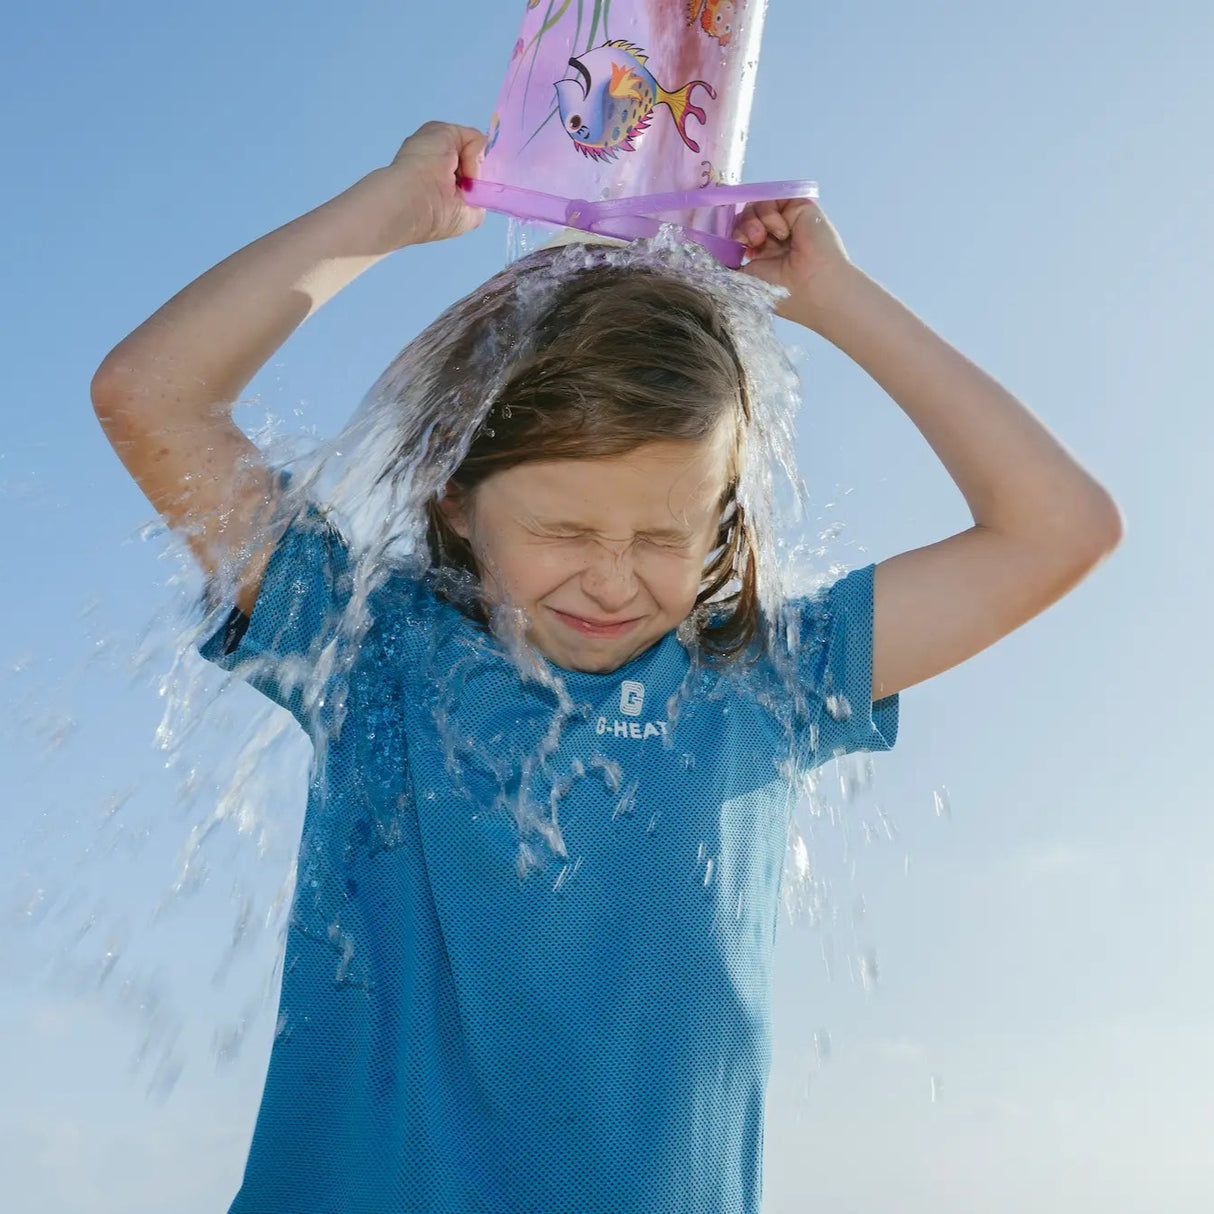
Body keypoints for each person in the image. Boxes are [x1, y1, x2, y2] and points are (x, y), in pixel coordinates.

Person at [90, 121, 1122, 1213]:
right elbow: (151, 395)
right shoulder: (367, 650)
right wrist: (383, 215)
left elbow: (1058, 527)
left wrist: (834, 296)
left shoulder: (763, 681)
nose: (612, 579)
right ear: (453, 494)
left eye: (664, 535)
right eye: (564, 530)